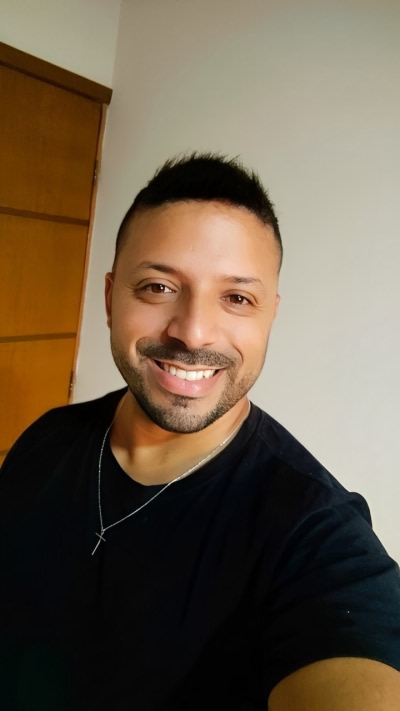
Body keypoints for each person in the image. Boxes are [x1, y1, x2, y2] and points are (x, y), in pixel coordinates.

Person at [1, 152, 399, 711]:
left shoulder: (312, 531)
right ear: (111, 298)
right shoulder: (47, 437)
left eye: (237, 298)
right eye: (158, 287)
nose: (192, 333)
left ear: (270, 315)